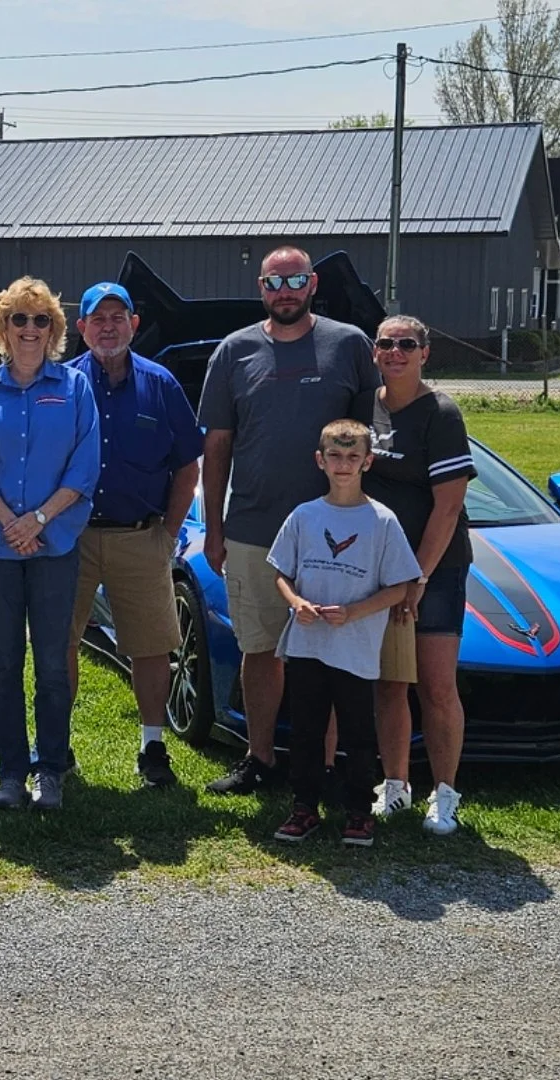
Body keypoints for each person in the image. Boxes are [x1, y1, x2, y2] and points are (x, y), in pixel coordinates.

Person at [196, 246, 381, 797]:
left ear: (313, 284)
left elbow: (372, 440)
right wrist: (214, 527)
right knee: (260, 651)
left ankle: (319, 767)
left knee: (325, 652)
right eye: (275, 282)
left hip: (335, 533)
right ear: (261, 288)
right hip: (254, 530)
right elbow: (217, 444)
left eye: (296, 280)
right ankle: (260, 759)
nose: (286, 291)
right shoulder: (234, 352)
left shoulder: (349, 345)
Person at [0, 277, 101, 811]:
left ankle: (51, 768)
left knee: (50, 663)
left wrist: (39, 520)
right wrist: (8, 522)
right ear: (2, 329)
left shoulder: (74, 388)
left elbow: (85, 466)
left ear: (55, 330)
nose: (29, 329)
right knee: (4, 664)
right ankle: (10, 772)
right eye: (18, 319)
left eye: (40, 320)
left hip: (55, 545)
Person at [61, 282, 202, 789]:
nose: (108, 327)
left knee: (150, 645)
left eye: (118, 317)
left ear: (133, 325)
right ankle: (58, 747)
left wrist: (168, 533)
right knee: (61, 644)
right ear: (80, 328)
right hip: (70, 539)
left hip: (140, 536)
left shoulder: (161, 385)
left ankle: (152, 745)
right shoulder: (63, 383)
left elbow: (188, 464)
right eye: (97, 319)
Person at [267, 419, 422, 847]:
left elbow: (399, 588)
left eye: (353, 457)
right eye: (334, 456)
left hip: (355, 649)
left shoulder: (382, 521)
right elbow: (282, 572)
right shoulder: (305, 515)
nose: (343, 465)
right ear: (320, 460)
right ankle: (303, 808)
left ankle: (358, 812)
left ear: (367, 462)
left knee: (357, 733)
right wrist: (296, 602)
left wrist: (354, 611)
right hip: (307, 644)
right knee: (305, 731)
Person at [361, 315, 474, 835]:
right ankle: (395, 785)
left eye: (407, 344)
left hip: (435, 570)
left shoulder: (441, 414)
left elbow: (448, 508)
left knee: (435, 685)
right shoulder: (366, 406)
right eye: (386, 343)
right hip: (376, 570)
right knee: (390, 682)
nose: (396, 351)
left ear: (425, 353)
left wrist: (419, 578)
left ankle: (445, 793)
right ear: (374, 352)